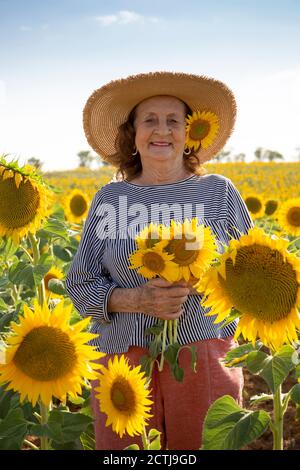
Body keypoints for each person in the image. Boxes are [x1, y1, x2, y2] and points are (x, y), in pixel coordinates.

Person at [65, 71, 253, 450]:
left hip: (200, 354)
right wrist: (136, 300)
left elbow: (251, 272)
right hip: (123, 358)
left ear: (189, 134)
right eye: (149, 120)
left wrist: (202, 280)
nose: (162, 130)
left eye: (174, 121)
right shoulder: (110, 199)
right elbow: (79, 283)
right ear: (132, 135)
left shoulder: (218, 192)